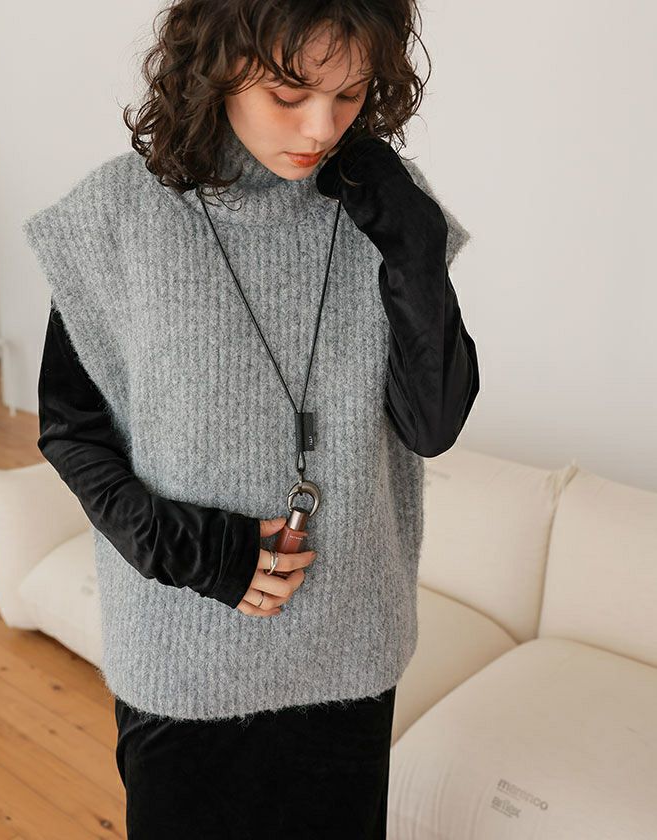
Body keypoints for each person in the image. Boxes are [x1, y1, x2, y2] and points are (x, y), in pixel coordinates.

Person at [24, 1, 479, 837]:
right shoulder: (116, 215)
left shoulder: (383, 204)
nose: (321, 128)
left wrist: (413, 250)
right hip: (184, 655)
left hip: (349, 652)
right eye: (289, 93)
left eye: (349, 96)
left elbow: (433, 425)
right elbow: (71, 430)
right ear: (218, 65)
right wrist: (197, 551)